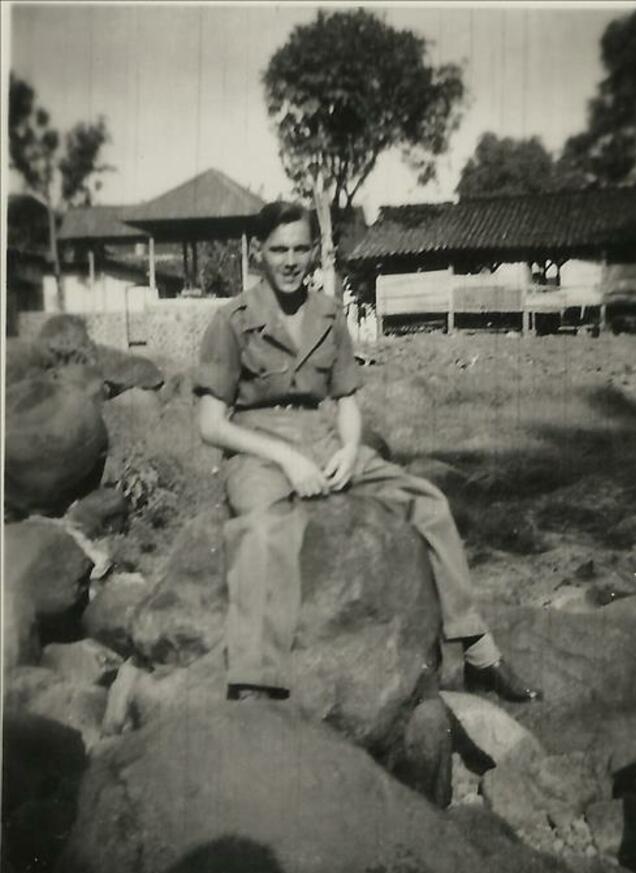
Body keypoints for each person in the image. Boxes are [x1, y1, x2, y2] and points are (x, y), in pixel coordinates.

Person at [194, 201, 542, 704]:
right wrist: (286, 459)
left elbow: (347, 402)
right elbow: (210, 425)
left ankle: (479, 652)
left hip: (324, 436)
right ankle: (255, 683)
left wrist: (350, 447)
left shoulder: (329, 314)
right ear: (257, 252)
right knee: (264, 532)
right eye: (278, 250)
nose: (290, 261)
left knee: (427, 502)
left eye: (300, 249)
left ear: (314, 250)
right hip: (258, 445)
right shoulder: (231, 320)